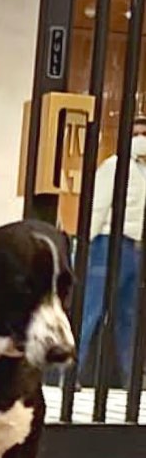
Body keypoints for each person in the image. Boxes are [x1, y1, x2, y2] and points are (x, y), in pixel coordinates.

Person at [78, 115, 146, 388]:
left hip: (133, 246)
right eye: (137, 132)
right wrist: (87, 242)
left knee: (127, 315)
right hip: (107, 242)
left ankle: (131, 381)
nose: (141, 138)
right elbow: (97, 205)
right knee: (91, 309)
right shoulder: (115, 166)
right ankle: (70, 372)